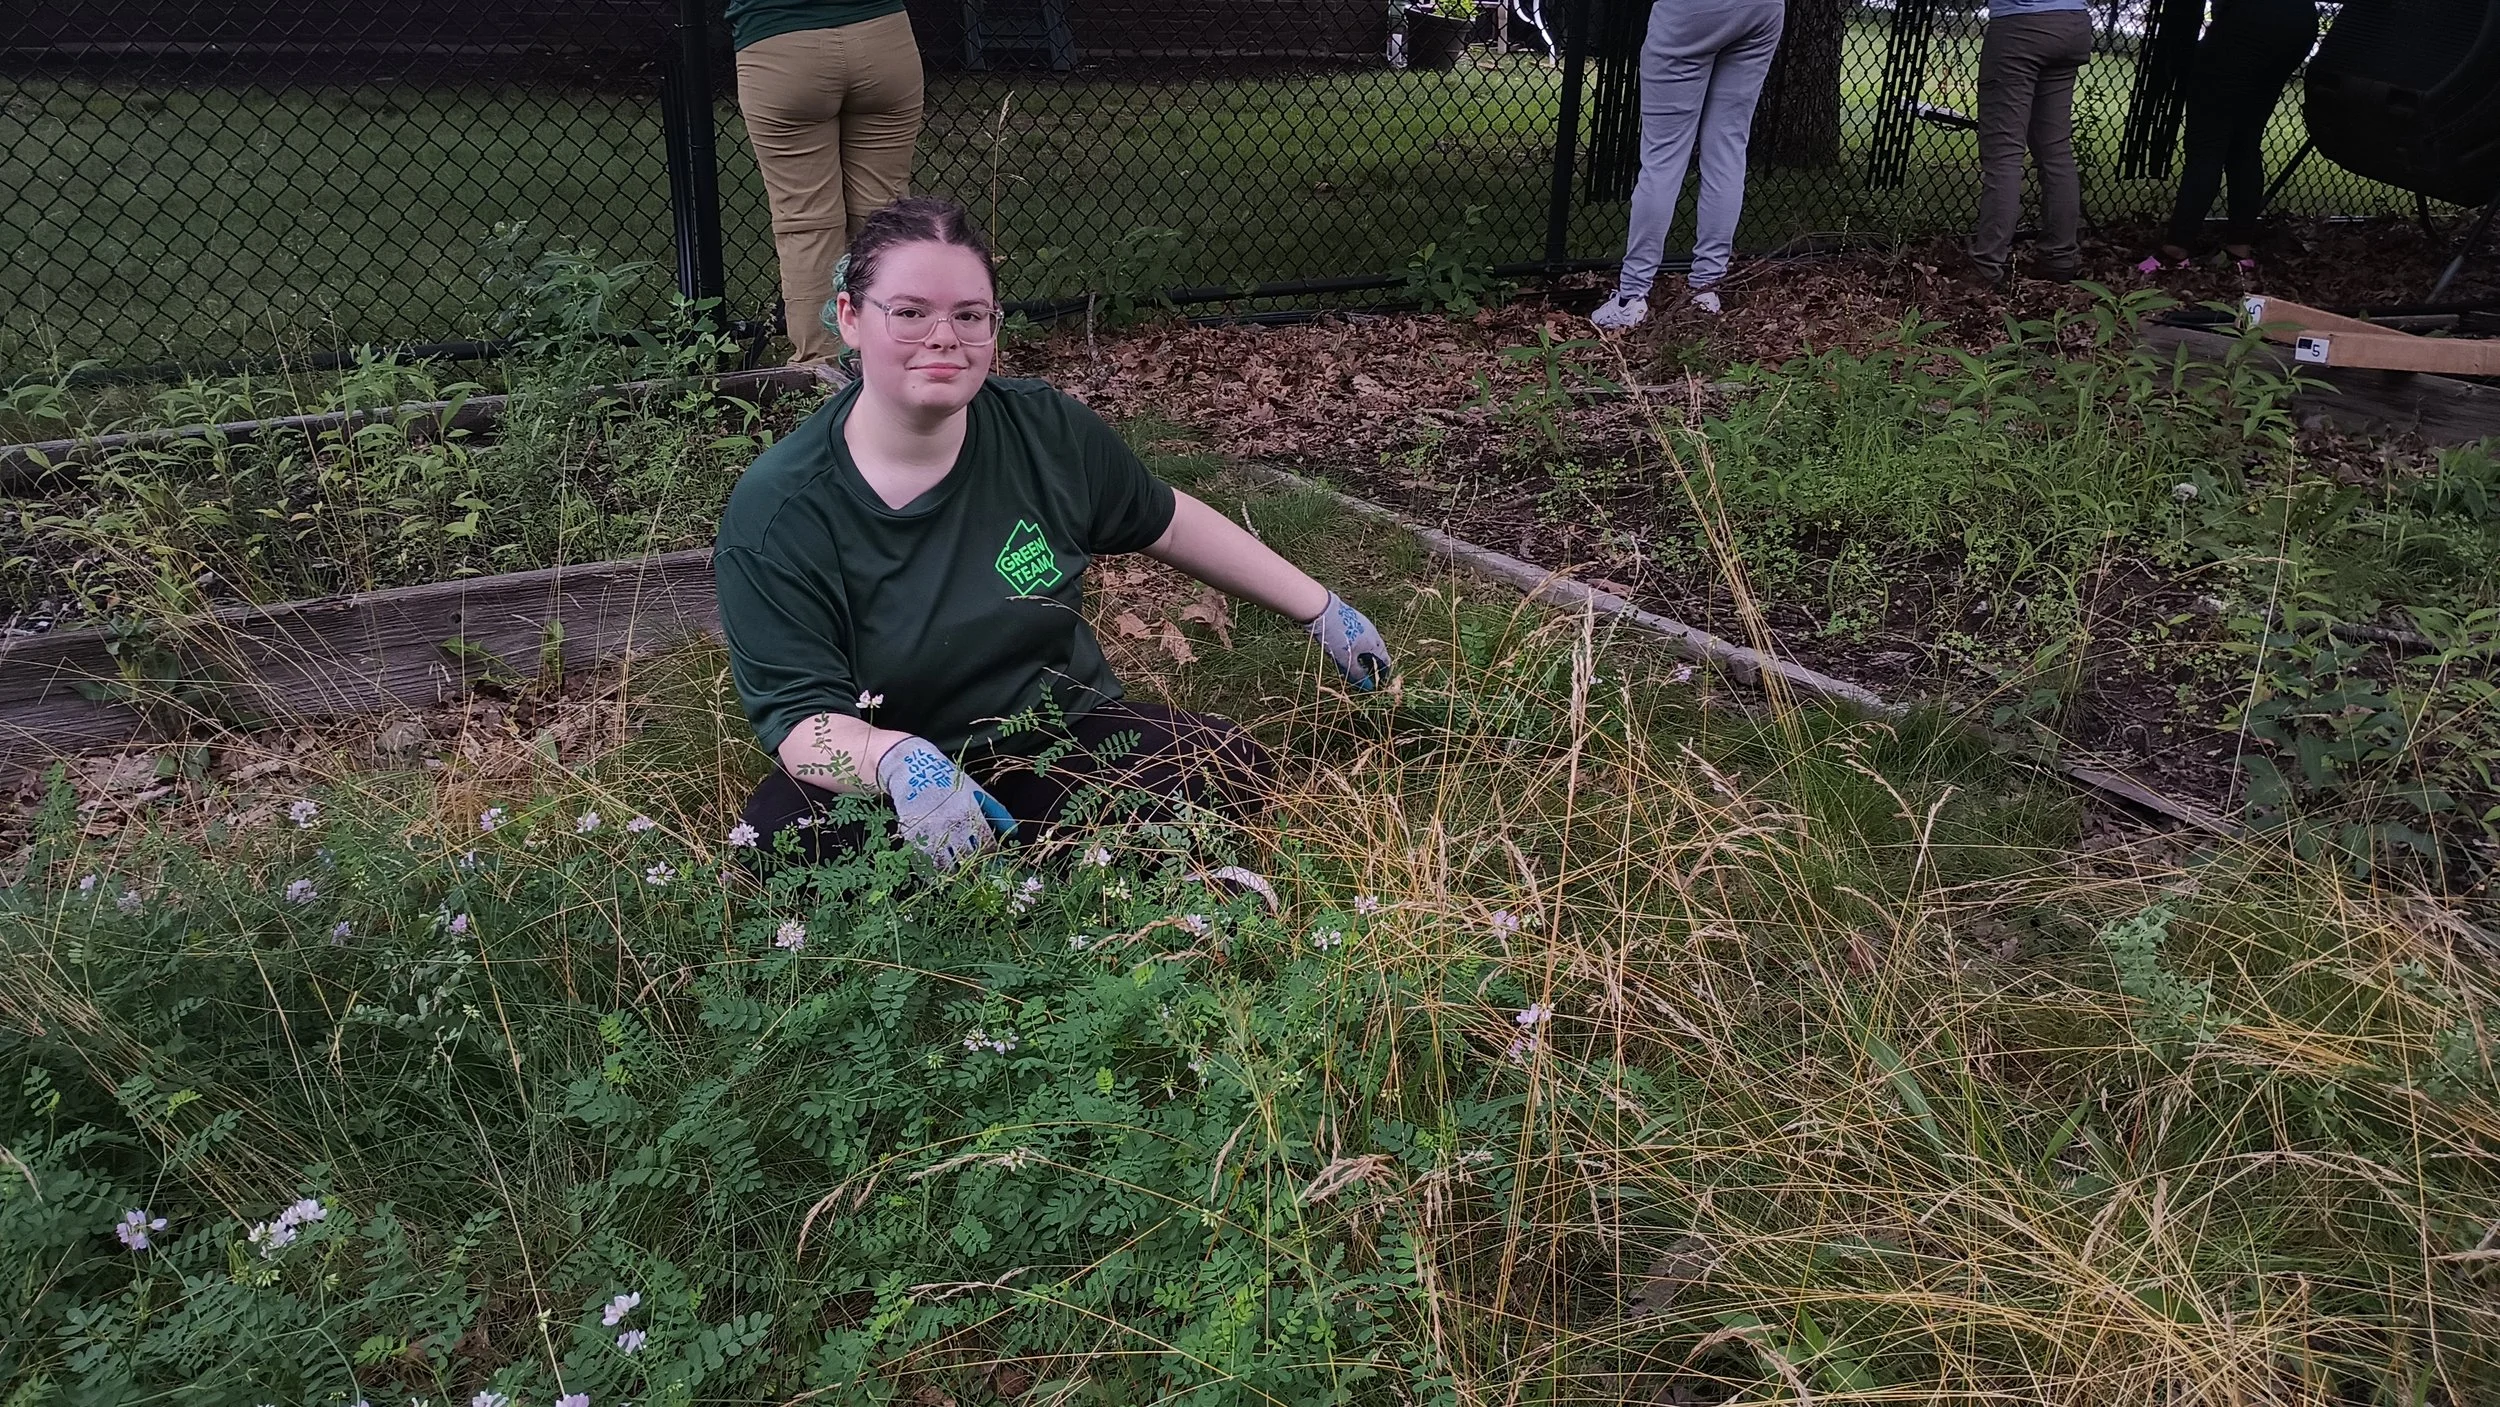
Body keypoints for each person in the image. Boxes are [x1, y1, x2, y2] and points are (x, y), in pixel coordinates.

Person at [713, 198, 1395, 868]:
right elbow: (798, 718)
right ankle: (1109, 877)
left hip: (1056, 742)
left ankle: (1028, 881)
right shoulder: (779, 508)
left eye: (969, 315)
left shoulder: (1045, 430)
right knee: (784, 838)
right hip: (893, 778)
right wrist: (897, 760)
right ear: (851, 317)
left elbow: (1165, 519)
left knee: (1224, 764)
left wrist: (1321, 608)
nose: (944, 336)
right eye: (911, 313)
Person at [730, 0, 925, 372]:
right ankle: (896, 363)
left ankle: (821, 375)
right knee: (884, 218)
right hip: (883, 36)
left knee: (806, 223)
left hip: (778, 40)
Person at [1589, 0, 1787, 329]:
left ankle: (1631, 297)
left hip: (1691, 11)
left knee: (1662, 158)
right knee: (1727, 149)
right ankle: (1706, 290)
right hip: (1762, 8)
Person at [2152, 0, 2320, 271]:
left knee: (2207, 142)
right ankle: (2239, 247)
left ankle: (2176, 250)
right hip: (2296, 21)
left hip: (2248, 20)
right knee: (2245, 139)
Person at [1968, 0, 2096, 285]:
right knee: (2055, 150)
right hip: (2072, 20)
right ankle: (2060, 258)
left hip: (2020, 26)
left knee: (2004, 154)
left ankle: (1987, 265)